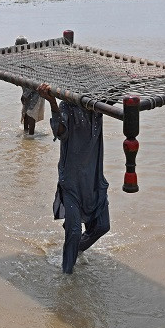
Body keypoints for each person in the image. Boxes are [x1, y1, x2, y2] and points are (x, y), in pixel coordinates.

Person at [38, 83, 110, 274]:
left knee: (103, 226)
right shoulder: (67, 107)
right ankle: (66, 278)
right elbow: (60, 133)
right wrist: (52, 102)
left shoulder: (97, 107)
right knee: (74, 231)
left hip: (93, 179)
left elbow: (115, 97)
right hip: (71, 180)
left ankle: (76, 249)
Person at [16, 36, 45, 135]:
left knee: (31, 113)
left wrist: (25, 94)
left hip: (36, 90)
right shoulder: (20, 58)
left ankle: (30, 136)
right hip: (28, 89)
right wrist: (24, 94)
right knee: (25, 111)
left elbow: (34, 78)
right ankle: (26, 133)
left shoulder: (30, 59)